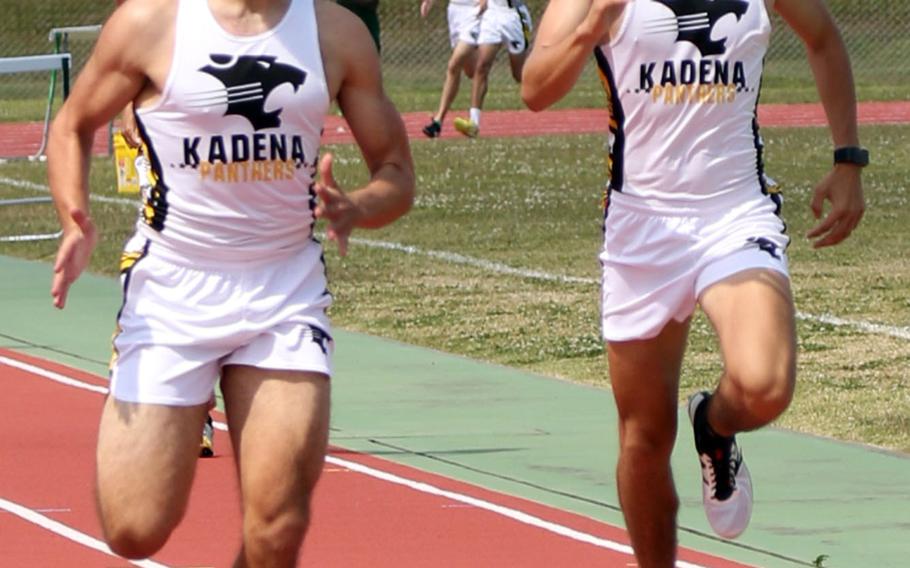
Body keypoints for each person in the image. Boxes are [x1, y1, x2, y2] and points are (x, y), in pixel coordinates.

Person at [47, 0, 414, 565]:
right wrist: (74, 217)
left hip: (283, 291)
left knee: (277, 525)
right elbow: (73, 123)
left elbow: (395, 171)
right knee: (134, 529)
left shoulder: (335, 32)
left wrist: (356, 207)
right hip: (172, 288)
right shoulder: (152, 22)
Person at [522, 0, 866, 565]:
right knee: (644, 438)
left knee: (765, 385)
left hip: (734, 213)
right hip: (642, 228)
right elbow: (535, 89)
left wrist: (848, 158)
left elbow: (823, 35)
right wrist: (591, 25)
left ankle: (715, 425)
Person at [113, 0, 217, 460]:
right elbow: (127, 33)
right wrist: (126, 104)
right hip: (163, 132)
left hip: (219, 137)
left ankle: (196, 404)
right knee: (168, 251)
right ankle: (136, 363)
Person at [451, 0, 534, 138]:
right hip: (493, 14)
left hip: (514, 15)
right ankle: (474, 123)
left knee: (519, 75)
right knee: (482, 66)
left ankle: (547, 85)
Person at [420, 0, 485, 138]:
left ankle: (437, 121)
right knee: (471, 71)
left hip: (474, 11)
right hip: (455, 11)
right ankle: (483, 68)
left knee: (453, 65)